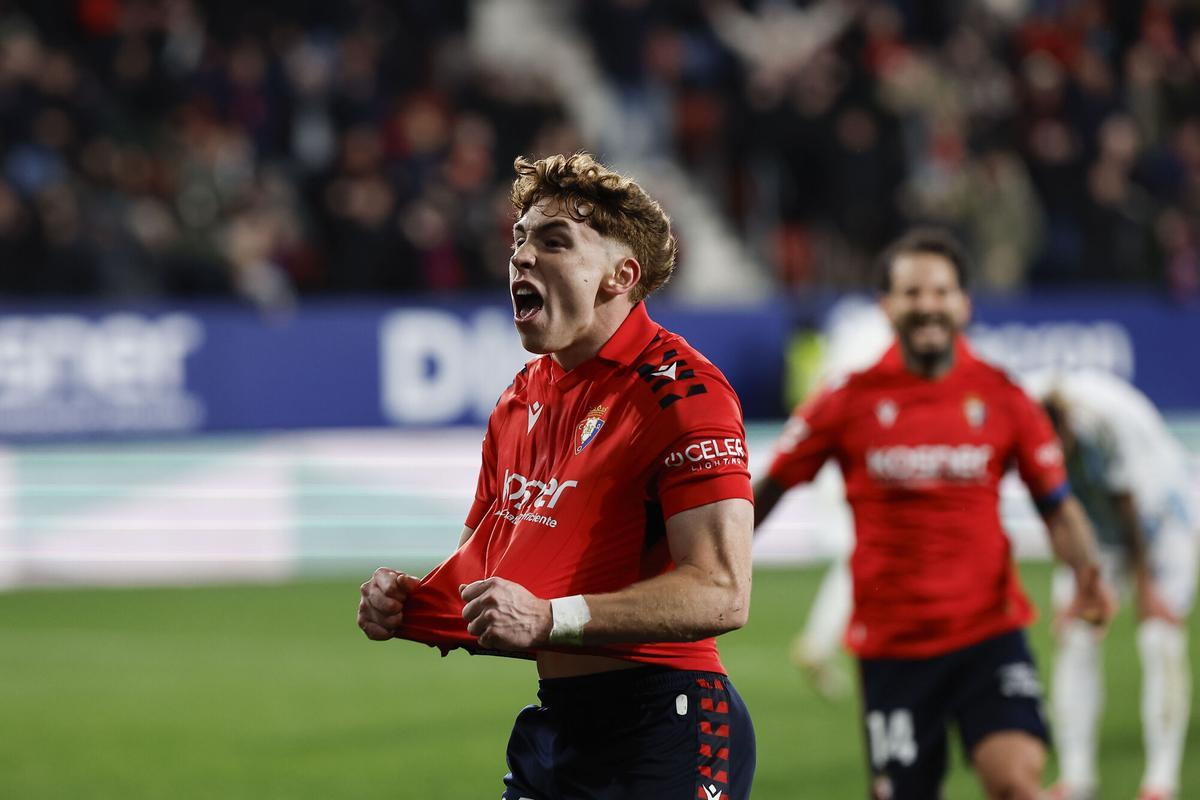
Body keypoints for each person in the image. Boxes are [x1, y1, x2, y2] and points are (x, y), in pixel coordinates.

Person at [357, 153, 756, 799]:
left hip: (668, 724)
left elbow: (721, 593)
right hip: (559, 728)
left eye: (553, 241)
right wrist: (411, 602)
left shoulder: (683, 394)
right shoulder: (520, 399)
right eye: (519, 239)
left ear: (619, 276)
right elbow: (484, 575)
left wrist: (548, 617)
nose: (520, 256)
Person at [753, 228, 1116, 800]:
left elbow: (1057, 504)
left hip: (988, 633)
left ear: (964, 303)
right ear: (887, 305)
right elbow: (767, 490)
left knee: (1015, 781)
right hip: (893, 649)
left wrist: (1089, 574)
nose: (927, 306)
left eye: (941, 292)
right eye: (912, 293)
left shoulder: (1003, 395)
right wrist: (713, 561)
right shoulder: (846, 398)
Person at [1034, 371, 1198, 800]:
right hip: (1094, 528)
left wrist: (1147, 590)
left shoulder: (1103, 428)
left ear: (1066, 429)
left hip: (1161, 520)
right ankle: (1077, 778)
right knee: (1076, 636)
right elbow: (1049, 507)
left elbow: (1132, 507)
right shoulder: (1023, 424)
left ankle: (1161, 782)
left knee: (1159, 637)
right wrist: (1078, 580)